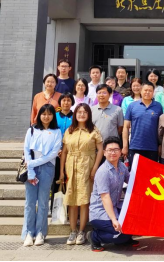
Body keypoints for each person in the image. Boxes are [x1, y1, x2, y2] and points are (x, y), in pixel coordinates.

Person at [60, 104, 104, 246]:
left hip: (87, 166)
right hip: (71, 166)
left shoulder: (93, 130)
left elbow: (100, 150)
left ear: (89, 115)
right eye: (79, 112)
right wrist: (61, 171)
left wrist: (95, 168)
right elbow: (64, 152)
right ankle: (73, 231)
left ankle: (81, 231)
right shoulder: (69, 130)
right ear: (75, 114)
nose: (82, 114)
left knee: (84, 199)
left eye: (85, 112)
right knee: (72, 199)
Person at [88, 137, 139, 252]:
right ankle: (94, 236)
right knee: (120, 234)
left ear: (120, 152)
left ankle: (124, 237)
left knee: (133, 224)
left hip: (115, 207)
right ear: (104, 152)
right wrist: (114, 220)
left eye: (116, 149)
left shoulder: (121, 166)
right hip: (100, 212)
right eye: (110, 150)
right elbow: (105, 198)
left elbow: (132, 181)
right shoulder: (103, 172)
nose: (113, 153)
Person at [22, 104, 62, 247]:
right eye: (43, 114)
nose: (46, 117)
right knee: (30, 202)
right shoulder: (32, 130)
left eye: (49, 114)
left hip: (47, 168)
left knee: (43, 202)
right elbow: (26, 150)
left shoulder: (57, 131)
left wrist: (33, 163)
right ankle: (28, 233)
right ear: (39, 115)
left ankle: (40, 232)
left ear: (53, 116)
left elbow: (53, 153)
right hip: (31, 169)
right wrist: (30, 169)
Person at [122, 82, 164, 167]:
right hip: (135, 146)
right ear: (141, 91)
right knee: (135, 173)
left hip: (152, 147)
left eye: (150, 91)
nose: (147, 92)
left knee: (151, 173)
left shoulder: (158, 106)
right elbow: (126, 127)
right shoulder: (132, 106)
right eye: (145, 90)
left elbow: (161, 128)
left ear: (153, 92)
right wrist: (125, 146)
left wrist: (160, 145)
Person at [52, 93, 75, 211]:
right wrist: (57, 150)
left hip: (71, 154)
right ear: (60, 102)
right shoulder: (54, 116)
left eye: (68, 100)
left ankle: (68, 209)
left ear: (72, 102)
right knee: (56, 180)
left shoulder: (75, 117)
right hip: (55, 154)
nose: (66, 103)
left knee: (70, 180)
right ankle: (56, 210)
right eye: (64, 100)